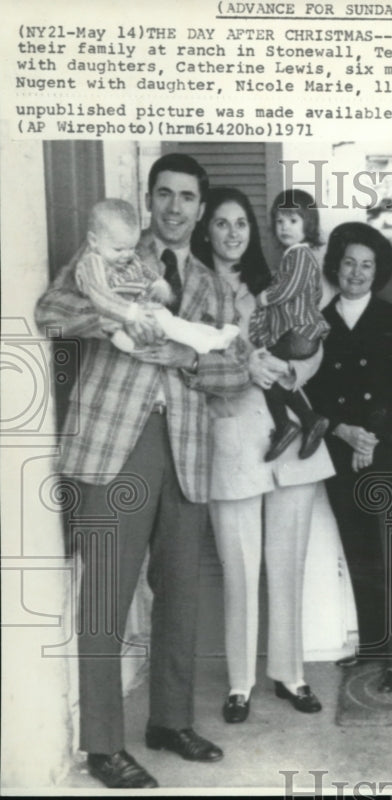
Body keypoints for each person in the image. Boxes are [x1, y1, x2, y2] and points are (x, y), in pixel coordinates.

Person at [35, 153, 249, 790]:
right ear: (148, 199)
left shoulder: (213, 286)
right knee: (105, 598)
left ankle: (170, 721)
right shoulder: (110, 253)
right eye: (164, 195)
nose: (175, 208)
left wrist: (183, 353)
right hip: (114, 447)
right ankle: (103, 745)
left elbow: (233, 370)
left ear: (201, 208)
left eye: (187, 197)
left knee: (181, 594)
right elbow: (51, 313)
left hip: (184, 451)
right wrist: (118, 320)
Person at [191, 187, 335, 723]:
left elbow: (311, 343)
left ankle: (291, 674)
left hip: (292, 438)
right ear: (207, 229)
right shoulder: (191, 285)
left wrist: (297, 372)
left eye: (242, 224)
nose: (233, 234)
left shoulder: (273, 282)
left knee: (288, 563)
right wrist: (240, 371)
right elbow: (187, 361)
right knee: (240, 569)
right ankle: (239, 683)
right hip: (230, 438)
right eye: (223, 224)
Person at [303, 222, 392, 693]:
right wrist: (346, 433)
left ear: (378, 270)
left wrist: (370, 436)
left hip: (389, 448)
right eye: (349, 262)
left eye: (367, 264)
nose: (356, 272)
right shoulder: (317, 323)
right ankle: (374, 644)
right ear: (337, 266)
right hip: (340, 448)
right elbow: (312, 389)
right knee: (361, 551)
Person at [74, 198, 240, 355]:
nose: (126, 255)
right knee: (164, 327)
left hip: (139, 307)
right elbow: (100, 296)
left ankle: (212, 336)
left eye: (131, 248)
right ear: (94, 241)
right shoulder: (91, 262)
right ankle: (206, 342)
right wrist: (131, 313)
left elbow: (141, 269)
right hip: (119, 316)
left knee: (171, 322)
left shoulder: (122, 256)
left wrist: (157, 282)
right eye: (119, 249)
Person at [248, 189, 331, 462]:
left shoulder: (299, 256)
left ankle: (286, 425)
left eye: (293, 221)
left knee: (267, 373)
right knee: (276, 377)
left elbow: (290, 287)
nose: (284, 227)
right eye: (280, 222)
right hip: (301, 334)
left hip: (299, 334)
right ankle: (309, 419)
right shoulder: (295, 256)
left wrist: (265, 297)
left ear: (308, 224)